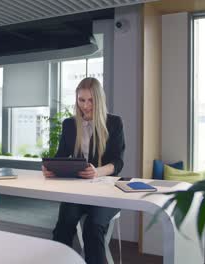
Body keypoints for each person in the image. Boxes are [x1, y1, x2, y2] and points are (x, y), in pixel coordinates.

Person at [42, 77, 125, 264]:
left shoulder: (114, 123)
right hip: (79, 190)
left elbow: (118, 162)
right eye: (81, 100)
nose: (85, 106)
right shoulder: (70, 125)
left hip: (107, 191)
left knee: (92, 227)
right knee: (63, 226)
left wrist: (98, 172)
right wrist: (51, 168)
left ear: (99, 100)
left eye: (90, 100)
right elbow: (61, 155)